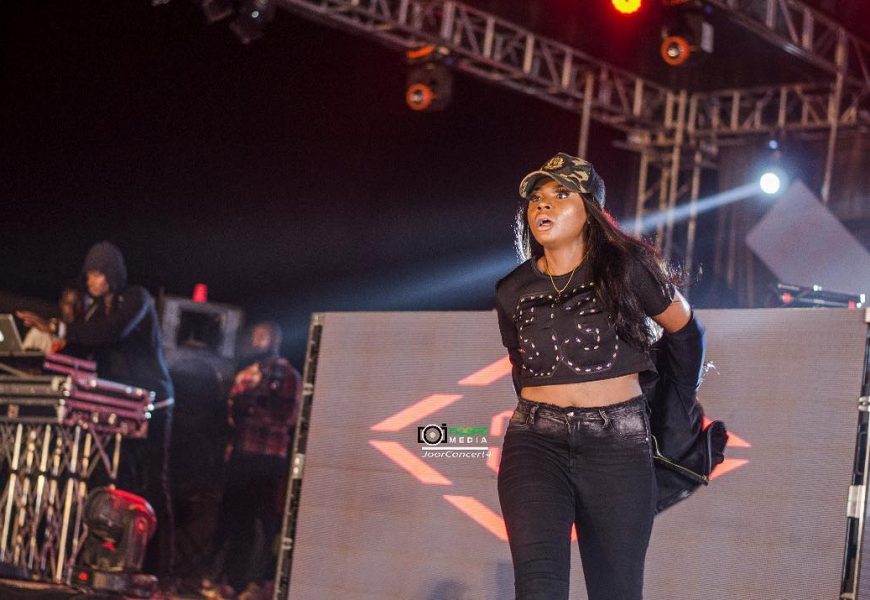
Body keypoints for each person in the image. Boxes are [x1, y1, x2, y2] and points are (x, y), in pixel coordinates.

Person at [495, 153, 697, 600]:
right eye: (536, 197)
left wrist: (676, 409)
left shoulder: (626, 269)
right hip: (535, 443)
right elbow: (520, 365)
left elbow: (685, 329)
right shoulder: (511, 290)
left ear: (590, 210)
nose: (543, 204)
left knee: (616, 591)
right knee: (538, 589)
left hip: (617, 444)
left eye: (561, 194)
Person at [16, 241, 176, 582]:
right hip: (115, 404)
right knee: (117, 482)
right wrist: (33, 361)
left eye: (98, 273)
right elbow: (80, 347)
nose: (91, 281)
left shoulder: (136, 299)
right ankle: (116, 560)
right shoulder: (94, 311)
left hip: (152, 402)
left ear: (112, 275)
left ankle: (159, 568)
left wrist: (59, 329)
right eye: (89, 274)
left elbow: (111, 331)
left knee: (151, 483)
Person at [203, 321, 300, 600]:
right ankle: (227, 580)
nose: (256, 342)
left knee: (262, 522)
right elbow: (232, 414)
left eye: (262, 337)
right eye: (254, 337)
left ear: (274, 340)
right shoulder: (245, 373)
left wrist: (257, 406)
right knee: (234, 519)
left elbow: (289, 415)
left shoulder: (286, 373)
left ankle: (254, 582)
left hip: (268, 457)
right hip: (242, 455)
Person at [21, 284, 83, 353]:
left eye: (76, 304)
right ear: (61, 304)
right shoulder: (38, 332)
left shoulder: (84, 338)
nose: (72, 308)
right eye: (68, 303)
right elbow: (23, 355)